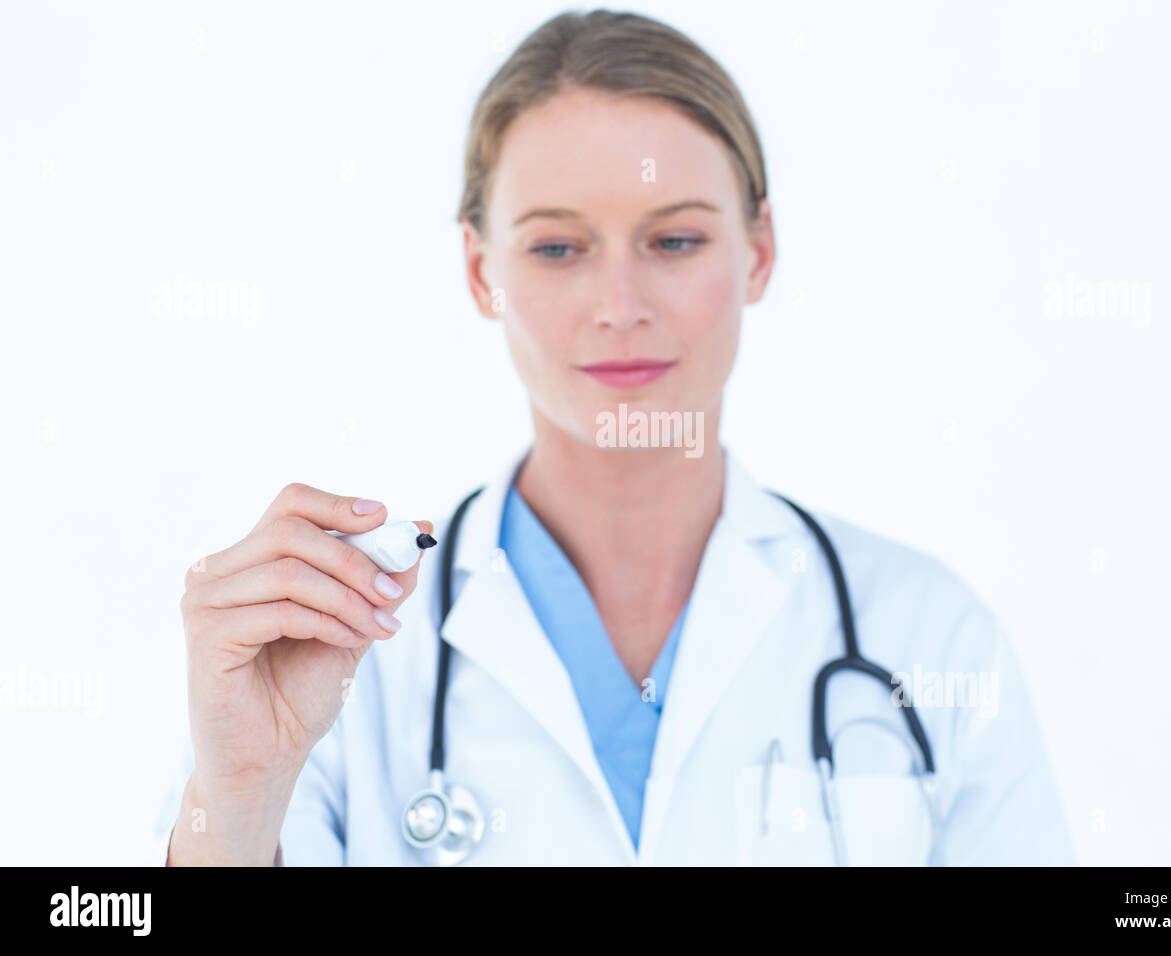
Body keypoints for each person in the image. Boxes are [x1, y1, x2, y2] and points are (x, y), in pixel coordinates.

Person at [158, 8, 1074, 866]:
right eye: (557, 249)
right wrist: (241, 794)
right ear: (482, 274)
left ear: (758, 250)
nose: (620, 308)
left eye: (674, 241)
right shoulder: (337, 653)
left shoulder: (927, 637)